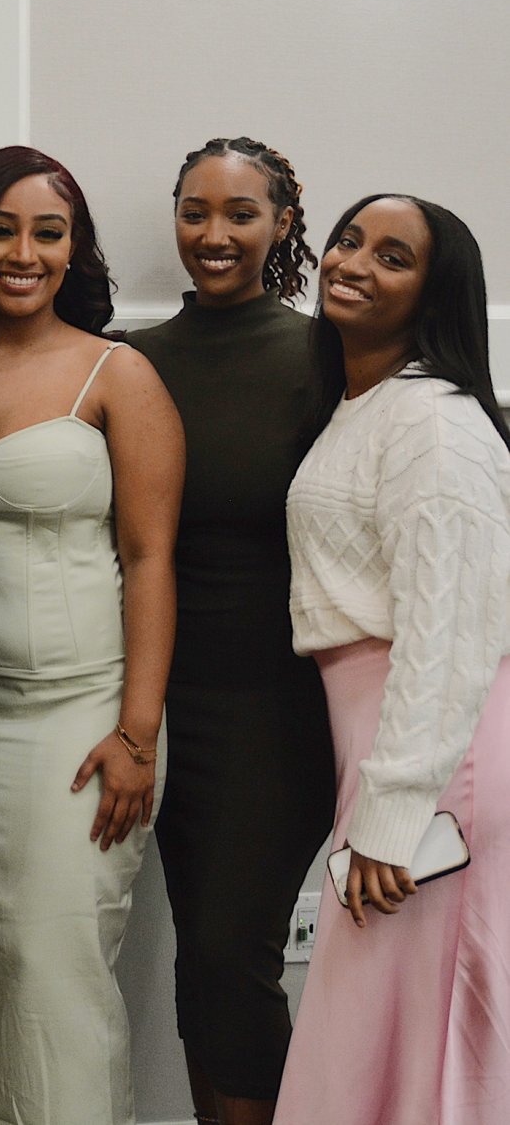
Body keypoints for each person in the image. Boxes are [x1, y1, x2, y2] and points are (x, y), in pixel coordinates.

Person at [0, 146, 183, 1125]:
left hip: (83, 721)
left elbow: (150, 559)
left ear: (74, 251)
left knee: (55, 975)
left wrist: (136, 735)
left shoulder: (118, 373)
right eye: (0, 230)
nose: (22, 253)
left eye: (47, 233)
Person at [277, 194, 510, 1125]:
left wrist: (398, 804)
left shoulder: (435, 423)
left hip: (435, 757)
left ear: (433, 292)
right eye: (348, 240)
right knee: (377, 1026)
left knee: (423, 1026)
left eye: (392, 256)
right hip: (388, 741)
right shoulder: (365, 406)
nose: (353, 262)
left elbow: (450, 630)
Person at [129, 137, 335, 1125]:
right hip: (161, 701)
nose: (213, 235)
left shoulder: (325, 358)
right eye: (194, 212)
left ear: (281, 224)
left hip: (278, 707)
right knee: (198, 956)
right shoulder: (134, 362)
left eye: (240, 214)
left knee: (229, 949)